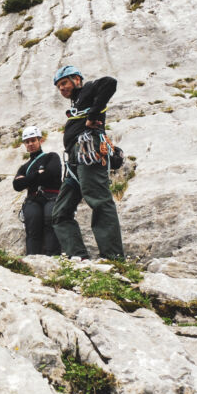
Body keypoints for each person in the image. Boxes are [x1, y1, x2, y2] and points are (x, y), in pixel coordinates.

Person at [50, 65, 124, 260]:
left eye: (64, 83)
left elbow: (110, 82)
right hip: (75, 161)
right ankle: (78, 257)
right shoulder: (77, 103)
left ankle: (113, 258)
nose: (62, 89)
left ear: (76, 79)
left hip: (88, 151)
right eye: (59, 86)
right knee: (60, 213)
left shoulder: (89, 89)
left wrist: (92, 115)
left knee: (99, 200)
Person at [13, 126, 61, 255]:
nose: (30, 144)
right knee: (32, 226)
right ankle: (32, 259)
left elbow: (51, 174)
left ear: (41, 140)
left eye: (33, 140)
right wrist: (37, 174)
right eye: (27, 142)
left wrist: (28, 179)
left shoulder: (52, 157)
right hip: (33, 199)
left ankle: (53, 258)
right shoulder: (24, 166)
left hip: (52, 196)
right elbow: (17, 185)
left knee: (50, 220)